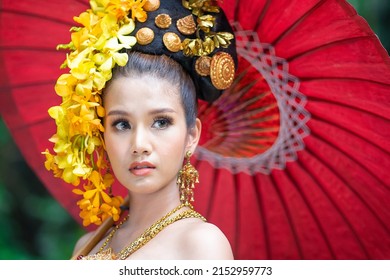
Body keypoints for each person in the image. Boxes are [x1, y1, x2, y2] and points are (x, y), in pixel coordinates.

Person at [44, 0, 237, 260]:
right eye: (121, 124)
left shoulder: (200, 245)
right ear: (101, 133)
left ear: (192, 135)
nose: (139, 144)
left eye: (160, 122)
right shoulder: (88, 245)